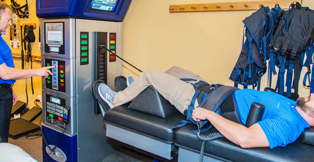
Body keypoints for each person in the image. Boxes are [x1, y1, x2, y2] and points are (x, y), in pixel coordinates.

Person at [94, 66, 314, 149]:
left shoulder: (289, 124)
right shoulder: (296, 106)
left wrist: (207, 113)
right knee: (174, 69)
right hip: (214, 90)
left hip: (203, 103)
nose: (311, 94)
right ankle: (137, 93)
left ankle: (114, 101)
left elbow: (246, 139)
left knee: (151, 75)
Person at [0, 1, 54, 142]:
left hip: (1, 92)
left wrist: (8, 88)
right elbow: (5, 73)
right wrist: (36, 71)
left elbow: (3, 72)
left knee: (1, 133)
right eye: (8, 19)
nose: (10, 24)